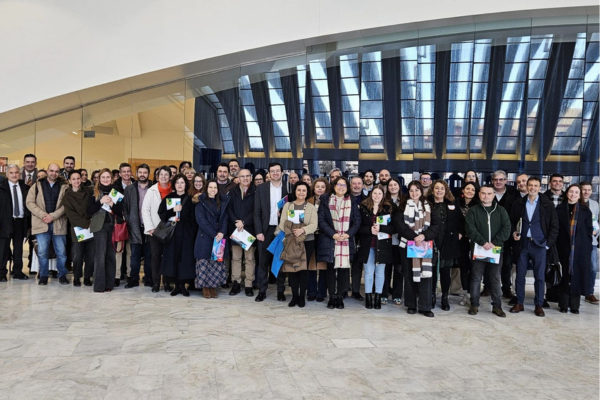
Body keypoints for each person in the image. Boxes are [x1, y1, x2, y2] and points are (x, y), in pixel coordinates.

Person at [510, 177, 559, 317]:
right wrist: (514, 232)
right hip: (523, 244)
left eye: (535, 185)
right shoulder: (519, 203)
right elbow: (511, 221)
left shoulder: (547, 204)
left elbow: (554, 226)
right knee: (520, 275)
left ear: (540, 187)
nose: (532, 188)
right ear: (527, 186)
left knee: (539, 276)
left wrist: (547, 244)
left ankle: (539, 304)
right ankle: (519, 302)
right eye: (530, 185)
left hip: (540, 245)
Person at [393, 181, 439, 317]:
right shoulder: (402, 206)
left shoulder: (429, 205)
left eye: (417, 190)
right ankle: (411, 304)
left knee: (426, 276)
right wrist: (414, 237)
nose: (414, 193)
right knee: (409, 275)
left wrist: (424, 236)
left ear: (421, 191)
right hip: (408, 244)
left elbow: (436, 225)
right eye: (411, 190)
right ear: (408, 192)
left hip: (425, 245)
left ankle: (425, 306)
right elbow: (399, 224)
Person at [464, 184, 511, 317]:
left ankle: (497, 306)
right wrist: (483, 242)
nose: (486, 196)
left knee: (495, 279)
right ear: (479, 195)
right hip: (478, 249)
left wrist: (494, 243)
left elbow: (506, 228)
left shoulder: (501, 210)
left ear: (494, 195)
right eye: (483, 193)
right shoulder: (473, 211)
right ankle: (474, 304)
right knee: (476, 277)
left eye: (489, 193)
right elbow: (470, 228)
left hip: (495, 250)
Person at [317, 176, 361, 310]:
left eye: (344, 185)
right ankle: (332, 297)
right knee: (330, 269)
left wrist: (348, 234)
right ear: (334, 186)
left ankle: (340, 297)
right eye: (339, 185)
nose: (341, 187)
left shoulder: (352, 201)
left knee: (344, 270)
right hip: (330, 239)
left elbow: (357, 221)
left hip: (346, 240)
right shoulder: (325, 199)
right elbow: (321, 220)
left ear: (347, 188)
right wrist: (333, 234)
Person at [26, 163, 69, 285]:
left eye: (56, 171)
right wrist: (43, 215)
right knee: (42, 252)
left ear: (59, 173)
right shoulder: (36, 186)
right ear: (47, 171)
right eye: (51, 171)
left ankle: (62, 275)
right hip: (41, 223)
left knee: (61, 252)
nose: (54, 173)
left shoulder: (65, 187)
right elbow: (29, 203)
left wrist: (53, 216)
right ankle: (43, 275)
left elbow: (67, 205)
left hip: (58, 223)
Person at [277, 182, 318, 308]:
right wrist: (292, 232)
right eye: (299, 190)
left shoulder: (311, 208)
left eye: (304, 190)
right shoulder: (288, 206)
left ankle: (301, 297)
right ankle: (294, 296)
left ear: (307, 192)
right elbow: (282, 222)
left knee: (303, 269)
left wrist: (302, 230)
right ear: (295, 191)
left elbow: (314, 225)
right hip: (291, 241)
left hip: (307, 241)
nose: (301, 192)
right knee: (292, 268)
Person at [555, 184, 593, 314]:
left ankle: (575, 305)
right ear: (567, 193)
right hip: (562, 247)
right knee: (564, 275)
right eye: (571, 192)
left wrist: (587, 247)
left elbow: (589, 231)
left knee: (577, 276)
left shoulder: (586, 211)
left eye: (576, 192)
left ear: (580, 195)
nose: (573, 194)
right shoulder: (559, 209)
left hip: (580, 249)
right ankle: (563, 304)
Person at [254, 162, 289, 302]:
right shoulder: (261, 188)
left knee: (280, 260)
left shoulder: (289, 187)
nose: (275, 173)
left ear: (282, 172)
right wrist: (258, 231)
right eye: (272, 171)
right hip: (265, 229)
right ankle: (262, 290)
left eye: (277, 171)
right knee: (263, 260)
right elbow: (256, 212)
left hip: (282, 229)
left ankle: (280, 290)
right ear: (268, 173)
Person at [158, 174, 197, 297]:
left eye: (182, 182)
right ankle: (175, 286)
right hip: (172, 234)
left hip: (186, 234)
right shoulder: (169, 198)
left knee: (184, 259)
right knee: (172, 258)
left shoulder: (189, 199)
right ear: (174, 185)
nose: (180, 185)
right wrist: (173, 210)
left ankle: (183, 286)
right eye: (177, 182)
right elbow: (161, 214)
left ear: (186, 185)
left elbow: (194, 219)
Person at [356, 186, 395, 309]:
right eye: (374, 193)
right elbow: (358, 227)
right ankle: (368, 297)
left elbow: (394, 228)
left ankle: (378, 297)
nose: (377, 196)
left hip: (382, 246)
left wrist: (381, 228)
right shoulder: (363, 208)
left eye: (379, 193)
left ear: (383, 195)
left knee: (380, 272)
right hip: (368, 245)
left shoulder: (389, 208)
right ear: (371, 194)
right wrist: (369, 230)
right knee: (368, 272)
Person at [427, 180, 462, 311]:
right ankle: (432, 296)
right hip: (431, 242)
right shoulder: (427, 205)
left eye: (442, 188)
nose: (439, 191)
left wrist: (460, 233)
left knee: (445, 272)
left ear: (446, 191)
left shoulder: (452, 204)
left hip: (448, 242)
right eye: (437, 188)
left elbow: (460, 221)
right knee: (431, 272)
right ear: (432, 190)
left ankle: (444, 298)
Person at [87, 168, 123, 293]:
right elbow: (89, 210)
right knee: (100, 256)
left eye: (108, 177)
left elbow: (121, 211)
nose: (106, 179)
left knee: (111, 255)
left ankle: (109, 284)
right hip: (99, 227)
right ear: (99, 179)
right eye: (103, 177)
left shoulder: (116, 191)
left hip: (113, 226)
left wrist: (112, 204)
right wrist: (100, 202)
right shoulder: (94, 191)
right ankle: (99, 285)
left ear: (111, 179)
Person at [195, 180, 230, 299]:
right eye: (210, 187)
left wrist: (222, 232)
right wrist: (214, 234)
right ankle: (205, 287)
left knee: (216, 264)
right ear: (206, 189)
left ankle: (213, 287)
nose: (213, 189)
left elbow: (225, 219)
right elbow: (201, 221)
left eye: (215, 187)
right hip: (205, 237)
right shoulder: (200, 203)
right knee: (204, 263)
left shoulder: (222, 202)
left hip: (219, 237)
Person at [226, 169, 257, 296]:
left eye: (247, 176)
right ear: (238, 178)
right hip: (236, 230)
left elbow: (257, 211)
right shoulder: (232, 191)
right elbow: (228, 209)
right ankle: (236, 283)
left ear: (251, 177)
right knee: (236, 258)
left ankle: (249, 284)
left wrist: (244, 222)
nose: (245, 178)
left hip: (249, 230)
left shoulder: (256, 191)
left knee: (250, 258)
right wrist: (236, 222)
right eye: (242, 176)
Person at [142, 166, 172, 293]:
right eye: (161, 175)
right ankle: (156, 283)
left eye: (166, 175)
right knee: (155, 257)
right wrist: (150, 228)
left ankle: (167, 282)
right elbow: (145, 210)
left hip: (169, 230)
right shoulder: (151, 191)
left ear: (170, 177)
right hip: (154, 230)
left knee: (168, 257)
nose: (163, 177)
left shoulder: (173, 190)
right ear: (157, 176)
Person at [62, 169, 94, 287]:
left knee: (90, 255)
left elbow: (93, 207)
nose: (76, 181)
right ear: (69, 181)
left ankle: (87, 277)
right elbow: (71, 215)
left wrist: (91, 223)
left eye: (78, 178)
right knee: (77, 256)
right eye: (74, 179)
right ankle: (76, 277)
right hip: (78, 229)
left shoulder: (89, 191)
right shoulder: (67, 196)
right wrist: (87, 223)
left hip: (91, 228)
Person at [123, 164, 152, 288]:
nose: (142, 175)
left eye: (145, 172)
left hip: (150, 227)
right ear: (136, 173)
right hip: (134, 226)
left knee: (149, 255)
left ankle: (149, 278)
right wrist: (129, 220)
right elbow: (125, 207)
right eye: (140, 172)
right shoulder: (129, 189)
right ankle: (134, 279)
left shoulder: (153, 188)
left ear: (148, 174)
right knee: (134, 255)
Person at [491, 170, 519, 299]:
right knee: (489, 261)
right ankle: (487, 287)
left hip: (507, 234)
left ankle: (506, 288)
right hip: (489, 234)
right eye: (496, 179)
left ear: (506, 181)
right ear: (492, 181)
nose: (498, 182)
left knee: (506, 263)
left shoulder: (514, 193)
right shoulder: (487, 191)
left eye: (501, 179)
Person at [0, 164, 30, 281]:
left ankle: (17, 271)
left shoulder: (25, 187)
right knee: (3, 249)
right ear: (7, 174)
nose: (14, 175)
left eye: (16, 172)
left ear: (20, 174)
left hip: (20, 222)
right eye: (11, 173)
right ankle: (1, 273)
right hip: (5, 222)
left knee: (18, 248)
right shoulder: (1, 187)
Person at [307, 178, 330, 302]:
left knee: (323, 264)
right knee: (311, 264)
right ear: (313, 188)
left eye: (322, 187)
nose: (320, 189)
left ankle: (321, 292)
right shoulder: (308, 201)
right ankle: (311, 291)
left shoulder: (330, 201)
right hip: (310, 236)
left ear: (326, 188)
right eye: (317, 187)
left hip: (324, 236)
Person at [457, 181, 479, 307]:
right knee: (463, 267)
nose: (470, 191)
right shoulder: (456, 203)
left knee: (475, 268)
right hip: (462, 240)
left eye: (473, 190)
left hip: (476, 240)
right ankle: (466, 293)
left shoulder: (478, 205)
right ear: (463, 190)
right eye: (467, 189)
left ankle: (473, 294)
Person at [383, 177, 403, 305]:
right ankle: (384, 294)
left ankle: (397, 295)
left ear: (399, 186)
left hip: (401, 241)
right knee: (386, 269)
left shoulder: (405, 201)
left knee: (399, 270)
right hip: (386, 240)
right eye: (390, 185)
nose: (393, 187)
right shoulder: (383, 201)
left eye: (395, 184)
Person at [114, 163, 135, 283]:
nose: (126, 174)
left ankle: (129, 274)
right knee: (119, 250)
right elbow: (114, 206)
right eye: (124, 171)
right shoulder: (115, 187)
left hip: (133, 222)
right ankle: (117, 276)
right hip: (120, 223)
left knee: (130, 251)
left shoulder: (136, 185)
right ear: (120, 173)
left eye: (128, 171)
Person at [581, 181, 599, 304]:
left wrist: (596, 231)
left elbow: (596, 221)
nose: (586, 192)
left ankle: (589, 293)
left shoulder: (595, 204)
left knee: (592, 267)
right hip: (578, 241)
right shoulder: (575, 202)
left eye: (589, 189)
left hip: (591, 241)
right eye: (584, 189)